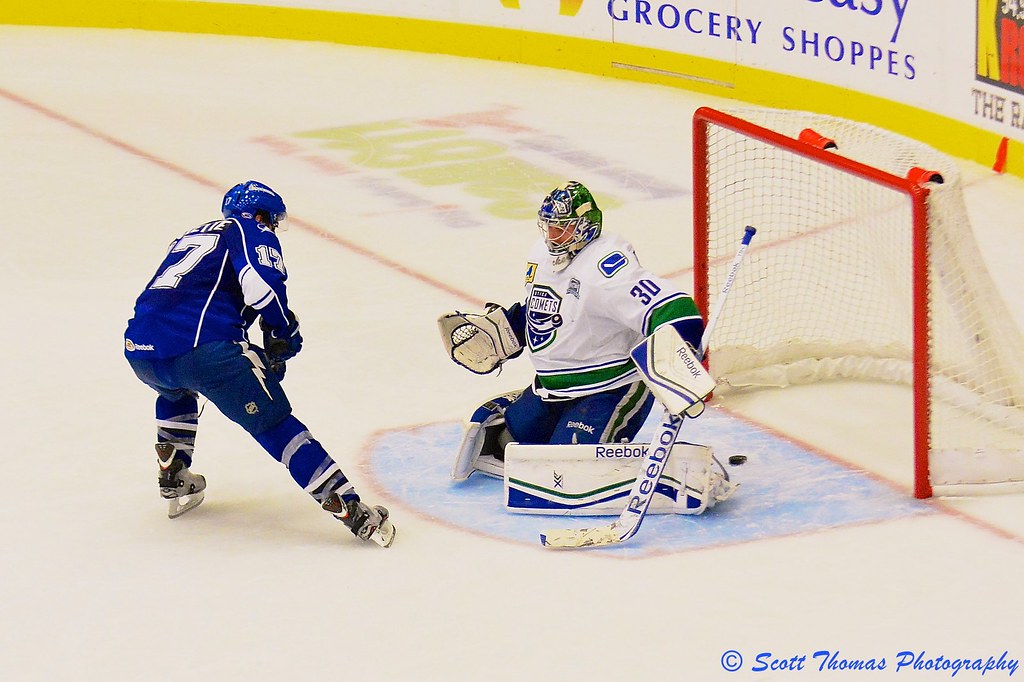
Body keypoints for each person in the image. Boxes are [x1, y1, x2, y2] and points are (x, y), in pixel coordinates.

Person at [124, 180, 395, 547]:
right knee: (275, 423)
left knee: (175, 390)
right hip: (204, 351)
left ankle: (173, 471)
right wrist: (283, 328)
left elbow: (181, 299)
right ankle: (349, 507)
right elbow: (262, 287)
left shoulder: (194, 236)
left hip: (141, 350)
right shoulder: (249, 229)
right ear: (263, 215)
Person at [439, 180, 706, 478]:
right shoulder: (541, 254)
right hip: (552, 387)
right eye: (549, 226)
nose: (553, 236)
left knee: (566, 469)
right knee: (507, 444)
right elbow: (549, 308)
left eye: (562, 227)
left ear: (585, 225)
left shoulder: (606, 267)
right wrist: (508, 330)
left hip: (609, 388)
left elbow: (674, 309)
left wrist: (681, 351)